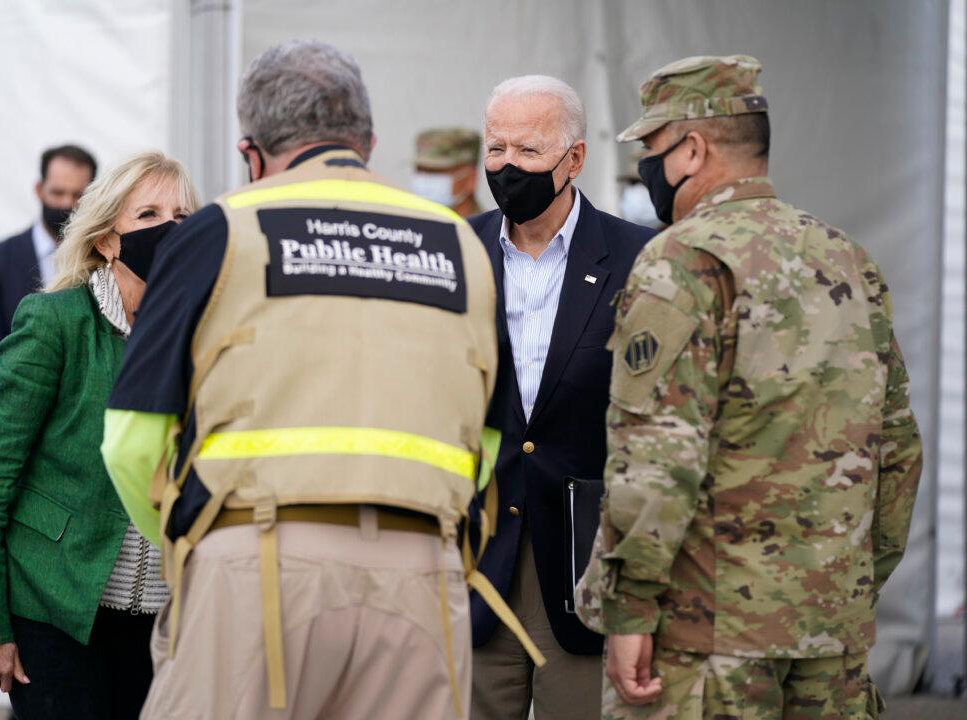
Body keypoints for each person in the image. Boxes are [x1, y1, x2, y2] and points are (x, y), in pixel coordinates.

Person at [101, 40, 540, 720]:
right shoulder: (461, 245)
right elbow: (488, 436)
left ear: (251, 153)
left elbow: (130, 442)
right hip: (423, 578)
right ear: (367, 141)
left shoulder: (220, 230)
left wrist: (186, 546)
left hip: (255, 567)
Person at [574, 55, 923, 719]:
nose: (649, 168)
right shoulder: (847, 259)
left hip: (709, 646)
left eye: (653, 148)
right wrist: (845, 587)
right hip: (832, 641)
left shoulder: (683, 261)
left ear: (692, 149)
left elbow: (657, 459)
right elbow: (900, 451)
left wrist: (631, 609)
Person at [0, 152, 199, 720]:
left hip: (163, 620)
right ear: (108, 238)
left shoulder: (200, 336)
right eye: (149, 214)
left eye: (184, 216)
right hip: (56, 610)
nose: (170, 229)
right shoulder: (56, 322)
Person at [467, 75, 655, 720]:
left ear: (573, 159)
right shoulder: (453, 254)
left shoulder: (639, 258)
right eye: (496, 150)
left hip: (585, 562)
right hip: (476, 557)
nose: (507, 167)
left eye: (528, 151)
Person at [0, 143, 96, 720]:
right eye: (56, 194)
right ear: (39, 191)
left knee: (40, 592)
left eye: (76, 197)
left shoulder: (98, 269)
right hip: (3, 442)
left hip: (64, 462)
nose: (64, 206)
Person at [411, 128, 483, 217]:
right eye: (421, 170)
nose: (425, 180)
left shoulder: (490, 229)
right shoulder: (407, 227)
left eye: (436, 171)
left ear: (470, 179)